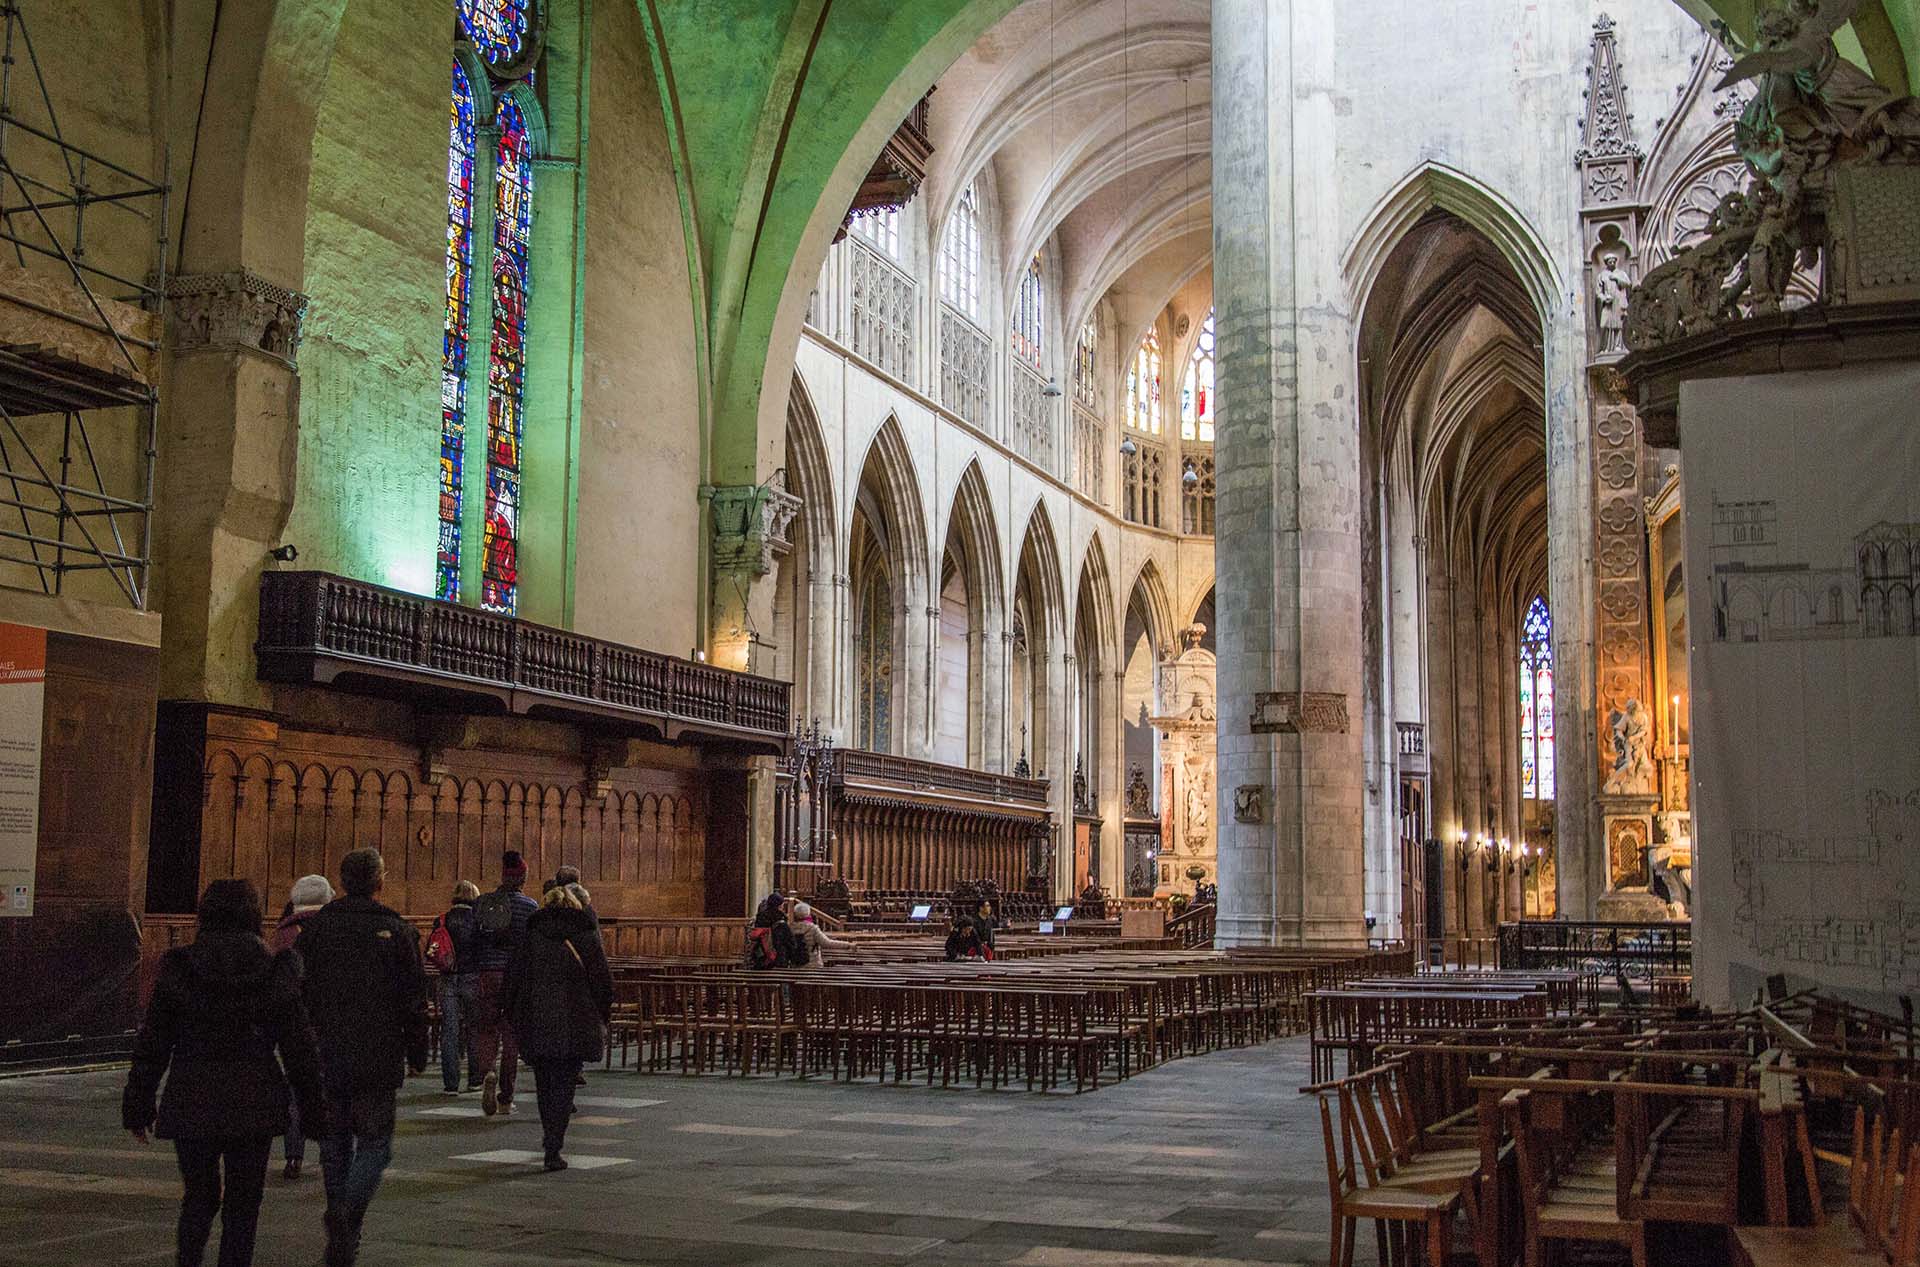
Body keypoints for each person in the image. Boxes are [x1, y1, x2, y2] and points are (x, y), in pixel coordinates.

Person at [123, 879, 324, 1267]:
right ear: (253, 915)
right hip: (254, 1099)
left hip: (192, 1095)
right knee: (243, 1205)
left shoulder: (181, 968)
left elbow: (153, 1045)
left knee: (197, 1198)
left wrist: (138, 1104)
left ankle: (189, 1260)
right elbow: (300, 1050)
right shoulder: (274, 970)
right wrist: (314, 1112)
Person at [297, 849, 429, 1267]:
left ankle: (344, 1236)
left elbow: (299, 995)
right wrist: (418, 1052)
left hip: (329, 1053)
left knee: (335, 1147)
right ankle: (347, 1213)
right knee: (375, 1145)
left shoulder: (316, 932)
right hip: (378, 1054)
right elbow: (414, 999)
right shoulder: (396, 930)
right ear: (379, 882)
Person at [504, 883, 613, 1171]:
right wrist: (602, 1014)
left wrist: (512, 1013)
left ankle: (549, 1133)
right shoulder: (587, 936)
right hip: (577, 1019)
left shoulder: (531, 936)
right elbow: (602, 980)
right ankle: (554, 1143)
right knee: (565, 1084)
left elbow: (513, 977)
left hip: (537, 1018)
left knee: (545, 1082)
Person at [467, 849, 539, 1116]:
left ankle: (488, 1071)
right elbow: (532, 945)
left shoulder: (483, 903)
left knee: (486, 1029)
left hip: (487, 973)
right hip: (514, 976)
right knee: (511, 1036)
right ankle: (506, 1097)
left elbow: (473, 939)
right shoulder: (530, 907)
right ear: (522, 878)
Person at [272, 874, 333, 1178]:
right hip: (328, 1021)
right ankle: (328, 1152)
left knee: (295, 1089)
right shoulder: (335, 929)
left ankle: (293, 1156)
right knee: (329, 1087)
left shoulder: (283, 932)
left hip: (294, 1023)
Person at [426, 880, 480, 1095]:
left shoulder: (442, 920)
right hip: (472, 977)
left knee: (449, 1030)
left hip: (447, 978)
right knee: (474, 1029)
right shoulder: (478, 920)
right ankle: (475, 1080)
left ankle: (451, 1084)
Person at [785, 900, 852, 969]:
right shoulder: (812, 928)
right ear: (808, 914)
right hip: (812, 965)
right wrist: (848, 944)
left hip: (795, 964)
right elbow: (826, 943)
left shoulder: (789, 928)